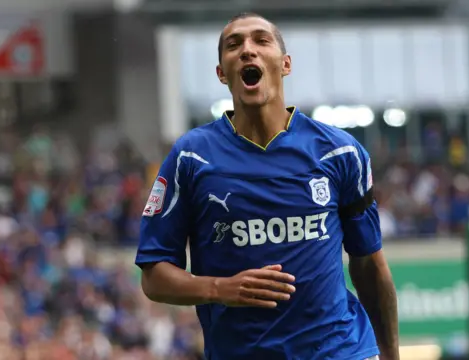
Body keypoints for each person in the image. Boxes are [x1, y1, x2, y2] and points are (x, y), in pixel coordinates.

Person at [136, 12, 399, 360]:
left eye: (261, 40)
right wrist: (219, 288)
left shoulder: (340, 152)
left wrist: (391, 354)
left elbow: (369, 265)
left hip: (339, 351)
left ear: (285, 63)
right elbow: (154, 277)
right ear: (221, 72)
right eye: (234, 45)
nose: (247, 50)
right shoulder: (190, 157)